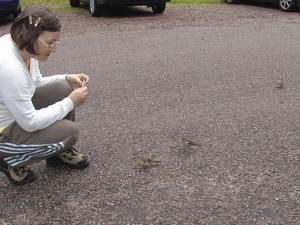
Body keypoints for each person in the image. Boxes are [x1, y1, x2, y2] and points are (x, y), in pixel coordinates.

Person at [0, 4, 90, 185]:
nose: (54, 49)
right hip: (4, 131)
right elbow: (30, 123)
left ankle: (57, 154)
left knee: (63, 87)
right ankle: (9, 158)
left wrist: (67, 77)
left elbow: (34, 83)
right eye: (50, 43)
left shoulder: (21, 46)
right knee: (70, 133)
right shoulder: (10, 67)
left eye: (56, 42)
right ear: (29, 36)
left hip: (16, 116)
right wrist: (70, 103)